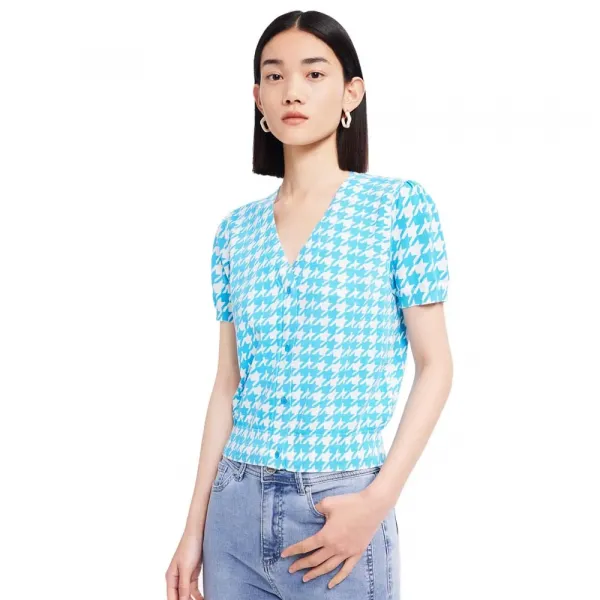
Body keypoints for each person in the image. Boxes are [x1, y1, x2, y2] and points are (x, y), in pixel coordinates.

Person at [166, 9, 453, 600]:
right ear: (258, 98)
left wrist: (375, 503)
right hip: (233, 512)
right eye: (274, 76)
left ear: (352, 93)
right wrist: (193, 527)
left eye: (314, 74)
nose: (292, 91)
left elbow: (437, 366)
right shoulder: (234, 232)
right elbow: (227, 384)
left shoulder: (398, 208)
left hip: (338, 510)